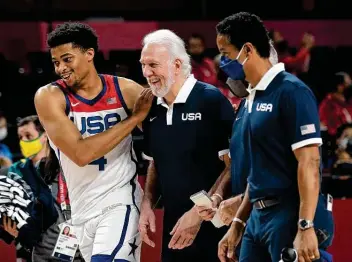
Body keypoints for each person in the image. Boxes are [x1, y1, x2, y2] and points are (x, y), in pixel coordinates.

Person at [216, 12, 334, 262]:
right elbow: (257, 171)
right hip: (256, 218)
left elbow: (310, 163)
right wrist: (237, 224)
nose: (222, 62)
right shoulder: (251, 100)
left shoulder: (292, 92)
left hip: (288, 213)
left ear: (247, 50)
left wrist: (305, 225)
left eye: (226, 54)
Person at [34, 22, 153, 262]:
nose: (61, 69)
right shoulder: (49, 96)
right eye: (56, 62)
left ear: (89, 54)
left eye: (67, 59)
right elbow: (81, 154)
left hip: (120, 201)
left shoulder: (126, 91)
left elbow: (163, 141)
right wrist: (135, 119)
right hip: (80, 209)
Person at [138, 29, 235, 262]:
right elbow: (155, 163)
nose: (146, 73)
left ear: (177, 64)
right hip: (174, 232)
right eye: (143, 65)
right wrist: (147, 203)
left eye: (153, 65)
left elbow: (233, 166)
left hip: (216, 229)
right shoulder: (151, 108)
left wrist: (198, 214)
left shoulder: (211, 100)